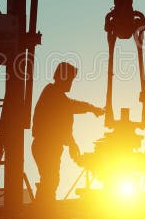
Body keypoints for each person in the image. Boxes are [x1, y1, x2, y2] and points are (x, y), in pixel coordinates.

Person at [32, 62, 104, 203]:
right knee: (50, 180)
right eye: (70, 80)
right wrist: (72, 144)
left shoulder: (55, 94)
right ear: (63, 78)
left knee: (50, 180)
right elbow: (65, 115)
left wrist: (92, 108)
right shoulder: (53, 95)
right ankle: (42, 212)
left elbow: (69, 108)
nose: (71, 83)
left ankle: (43, 209)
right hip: (45, 146)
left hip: (46, 146)